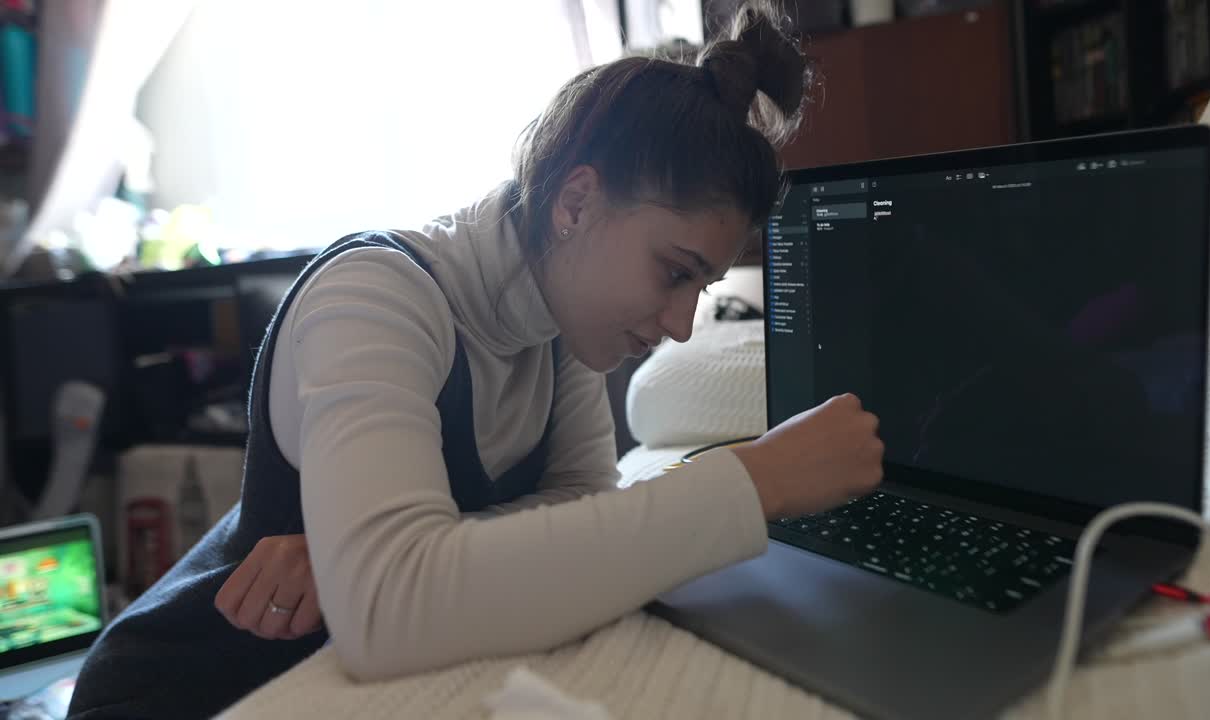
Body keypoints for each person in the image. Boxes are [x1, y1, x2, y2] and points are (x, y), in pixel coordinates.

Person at [68, 4, 884, 718]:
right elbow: (390, 609)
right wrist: (755, 479)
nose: (679, 324)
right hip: (178, 691)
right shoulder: (374, 298)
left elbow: (579, 512)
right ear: (575, 203)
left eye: (700, 288)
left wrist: (396, 553)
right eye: (674, 272)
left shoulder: (560, 328)